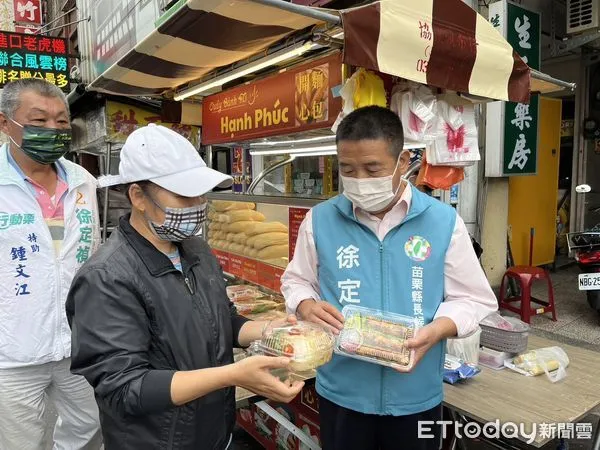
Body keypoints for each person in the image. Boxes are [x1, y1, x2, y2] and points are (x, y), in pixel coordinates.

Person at [66, 124, 304, 450]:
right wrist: (232, 374)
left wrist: (266, 330)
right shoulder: (106, 278)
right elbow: (124, 388)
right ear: (138, 196)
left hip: (211, 432)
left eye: (200, 193)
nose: (197, 204)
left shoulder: (196, 251)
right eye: (183, 195)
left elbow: (223, 320)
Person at [281, 106, 497, 450]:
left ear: (402, 161)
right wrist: (305, 304)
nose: (360, 180)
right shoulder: (319, 220)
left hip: (416, 395)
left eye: (372, 168)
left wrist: (436, 331)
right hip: (342, 392)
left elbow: (474, 298)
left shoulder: (442, 222)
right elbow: (295, 280)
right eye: (348, 169)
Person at [0, 79, 102, 449]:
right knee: (20, 442)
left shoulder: (83, 182)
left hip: (79, 342)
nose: (52, 130)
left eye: (61, 122)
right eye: (38, 120)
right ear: (4, 123)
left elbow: (92, 257)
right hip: (12, 352)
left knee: (89, 427)